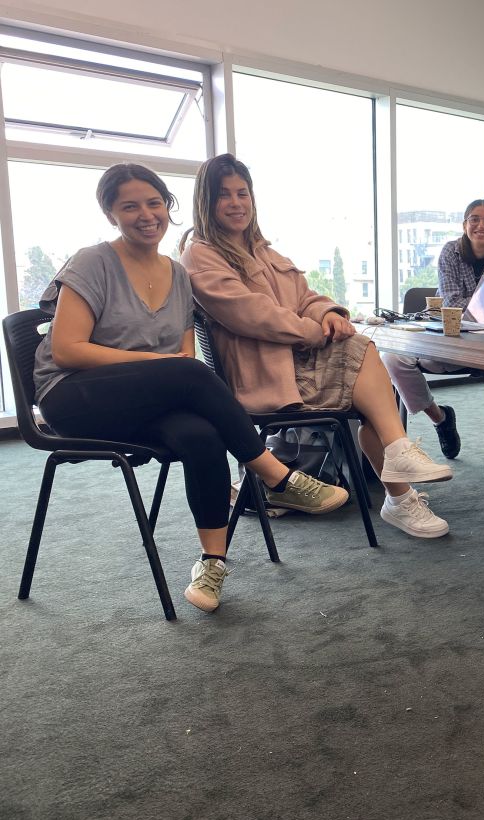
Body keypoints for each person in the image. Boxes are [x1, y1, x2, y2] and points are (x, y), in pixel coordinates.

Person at [32, 163, 349, 613]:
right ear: (110, 214)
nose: (146, 214)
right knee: (190, 372)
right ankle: (274, 474)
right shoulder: (93, 261)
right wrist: (158, 364)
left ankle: (212, 562)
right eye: (130, 206)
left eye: (154, 203)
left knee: (201, 436)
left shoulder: (178, 274)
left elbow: (181, 355)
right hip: (74, 395)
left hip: (148, 397)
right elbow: (66, 350)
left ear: (168, 207)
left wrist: (166, 368)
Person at [180, 154, 453, 540]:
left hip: (299, 363)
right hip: (265, 377)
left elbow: (305, 295)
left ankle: (399, 475)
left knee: (363, 369)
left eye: (243, 193)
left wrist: (327, 313)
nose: (236, 202)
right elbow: (252, 314)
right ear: (206, 202)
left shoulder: (264, 252)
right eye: (224, 195)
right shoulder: (200, 254)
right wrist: (314, 331)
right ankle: (399, 483)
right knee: (362, 353)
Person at [381, 198, 484, 459]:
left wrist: (482, 309)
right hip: (450, 340)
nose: (481, 225)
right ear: (464, 224)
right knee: (391, 357)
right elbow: (450, 302)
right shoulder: (450, 251)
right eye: (475, 219)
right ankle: (440, 418)